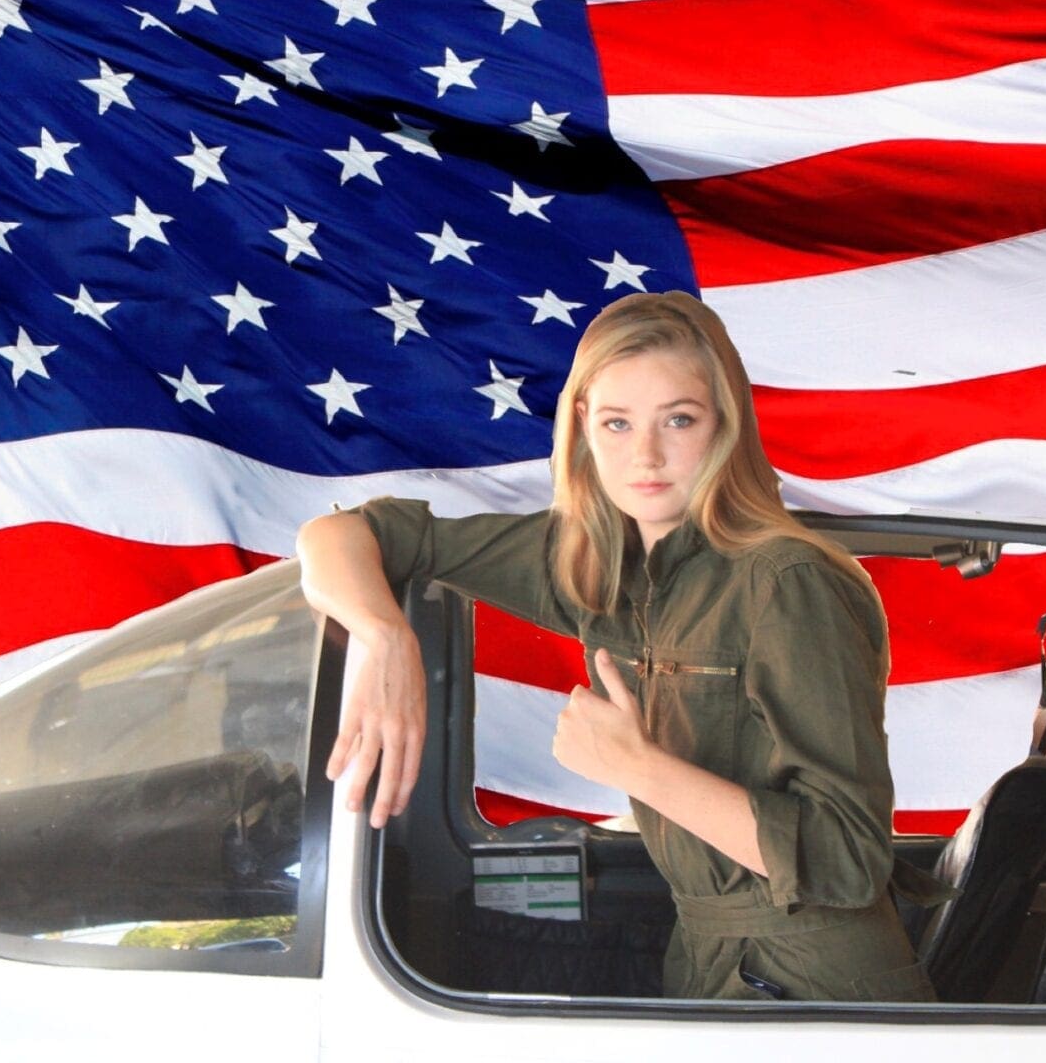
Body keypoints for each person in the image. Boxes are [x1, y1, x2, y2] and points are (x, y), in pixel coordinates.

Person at [297, 290, 945, 1002]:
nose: (646, 455)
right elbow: (347, 534)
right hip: (703, 955)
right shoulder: (595, 563)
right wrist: (384, 637)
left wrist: (637, 767)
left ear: (724, 424)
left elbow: (846, 861)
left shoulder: (787, 582)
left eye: (679, 419)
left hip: (814, 983)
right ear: (582, 427)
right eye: (617, 423)